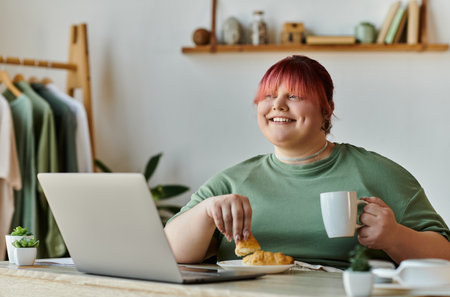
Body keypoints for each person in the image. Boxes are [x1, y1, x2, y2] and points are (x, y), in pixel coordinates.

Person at [164, 55, 450, 269]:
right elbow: (170, 252)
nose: (277, 105)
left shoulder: (377, 173)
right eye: (268, 96)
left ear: (326, 109)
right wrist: (205, 211)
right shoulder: (231, 181)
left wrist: (394, 237)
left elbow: (445, 254)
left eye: (294, 96)